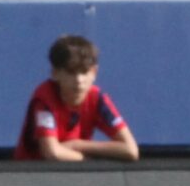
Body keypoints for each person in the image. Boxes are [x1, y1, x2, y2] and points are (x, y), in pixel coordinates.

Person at [17, 35, 138, 163]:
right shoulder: (44, 98)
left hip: (77, 169)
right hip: (34, 171)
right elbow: (52, 153)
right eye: (71, 73)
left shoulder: (97, 98)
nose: (79, 81)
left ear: (94, 73)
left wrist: (78, 145)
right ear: (55, 73)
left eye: (84, 72)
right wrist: (87, 161)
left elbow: (131, 150)